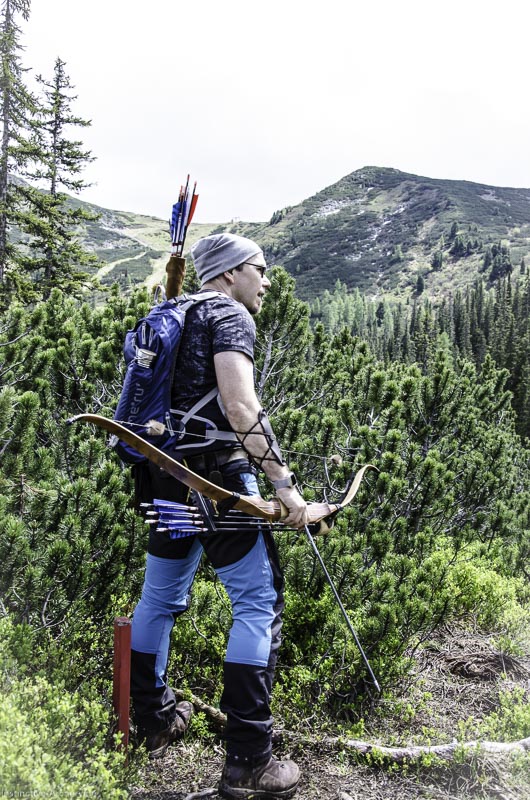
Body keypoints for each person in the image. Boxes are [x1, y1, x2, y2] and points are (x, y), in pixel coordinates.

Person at [130, 233, 309, 800]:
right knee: (257, 603)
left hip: (164, 474)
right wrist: (284, 486)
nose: (267, 280)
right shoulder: (229, 314)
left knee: (159, 598)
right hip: (219, 482)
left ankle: (153, 721)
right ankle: (250, 764)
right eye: (261, 269)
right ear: (231, 273)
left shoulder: (170, 311)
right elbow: (239, 405)